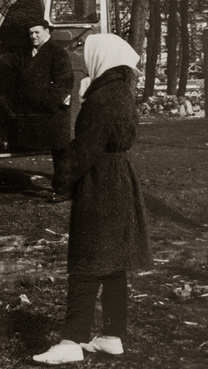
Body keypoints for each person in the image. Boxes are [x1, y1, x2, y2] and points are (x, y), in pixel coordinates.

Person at [32, 34, 151, 365]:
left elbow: (86, 148)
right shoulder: (121, 92)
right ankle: (112, 336)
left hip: (100, 185)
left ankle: (72, 340)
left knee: (85, 264)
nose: (84, 62)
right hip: (119, 182)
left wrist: (63, 177)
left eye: (87, 57)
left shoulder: (102, 99)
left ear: (102, 59)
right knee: (113, 264)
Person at [0, 19, 74, 175]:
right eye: (31, 33)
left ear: (47, 31)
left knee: (59, 152)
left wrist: (47, 103)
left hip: (51, 112)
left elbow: (64, 82)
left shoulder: (57, 52)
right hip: (33, 106)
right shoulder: (27, 53)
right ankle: (10, 141)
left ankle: (63, 189)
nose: (33, 36)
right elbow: (5, 61)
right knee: (2, 102)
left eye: (37, 32)